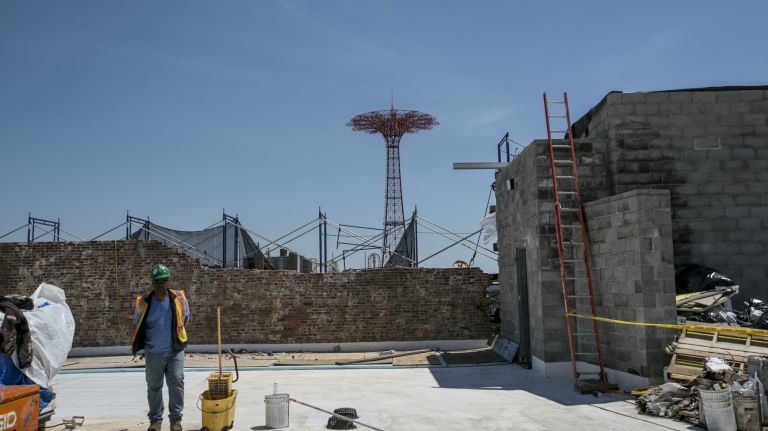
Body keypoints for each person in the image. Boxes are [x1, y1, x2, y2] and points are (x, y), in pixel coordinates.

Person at [131, 263, 190, 431]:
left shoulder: (178, 299)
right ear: (152, 282)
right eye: (157, 281)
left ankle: (176, 420)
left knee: (177, 383)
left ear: (168, 281)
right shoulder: (143, 302)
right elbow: (139, 323)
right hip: (153, 353)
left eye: (163, 280)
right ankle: (156, 421)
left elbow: (184, 319)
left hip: (175, 351)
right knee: (154, 387)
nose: (160, 284)